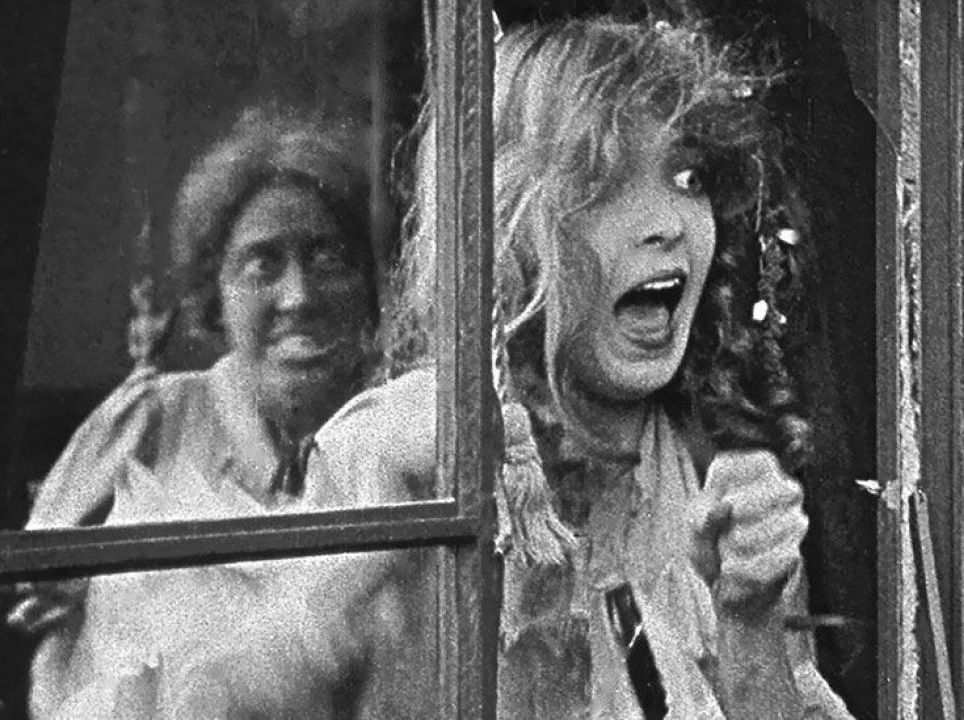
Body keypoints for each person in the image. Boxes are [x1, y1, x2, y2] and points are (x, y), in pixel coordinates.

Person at [308, 17, 853, 718]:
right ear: (509, 225)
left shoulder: (712, 474)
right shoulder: (403, 454)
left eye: (688, 178)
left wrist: (749, 625)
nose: (668, 223)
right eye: (605, 182)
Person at [7, 107, 394, 719]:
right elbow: (38, 586)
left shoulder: (396, 431)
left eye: (328, 259)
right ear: (217, 291)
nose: (299, 297)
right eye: (263, 264)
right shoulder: (155, 420)